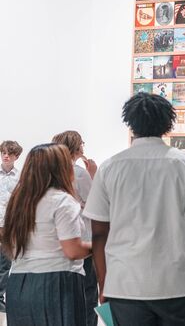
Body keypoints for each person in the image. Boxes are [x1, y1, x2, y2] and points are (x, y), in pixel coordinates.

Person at [83, 93, 185, 326]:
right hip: (176, 282)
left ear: (130, 123)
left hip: (125, 283)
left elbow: (99, 233)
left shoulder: (109, 168)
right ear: (168, 124)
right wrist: (174, 210)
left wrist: (103, 284)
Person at [1, 143, 92, 325]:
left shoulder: (18, 202)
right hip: (56, 282)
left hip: (19, 282)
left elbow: (6, 238)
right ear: (61, 169)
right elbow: (73, 250)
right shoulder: (62, 201)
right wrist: (101, 243)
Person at [51, 130, 99, 326]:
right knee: (87, 292)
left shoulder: (50, 171)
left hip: (59, 239)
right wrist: (93, 174)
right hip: (82, 237)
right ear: (77, 147)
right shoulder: (79, 173)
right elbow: (94, 204)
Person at [0, 140, 22, 316]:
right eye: (3, 152)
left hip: (9, 225)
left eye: (10, 153)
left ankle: (0, 298)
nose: (6, 156)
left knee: (6, 262)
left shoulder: (20, 177)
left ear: (16, 156)